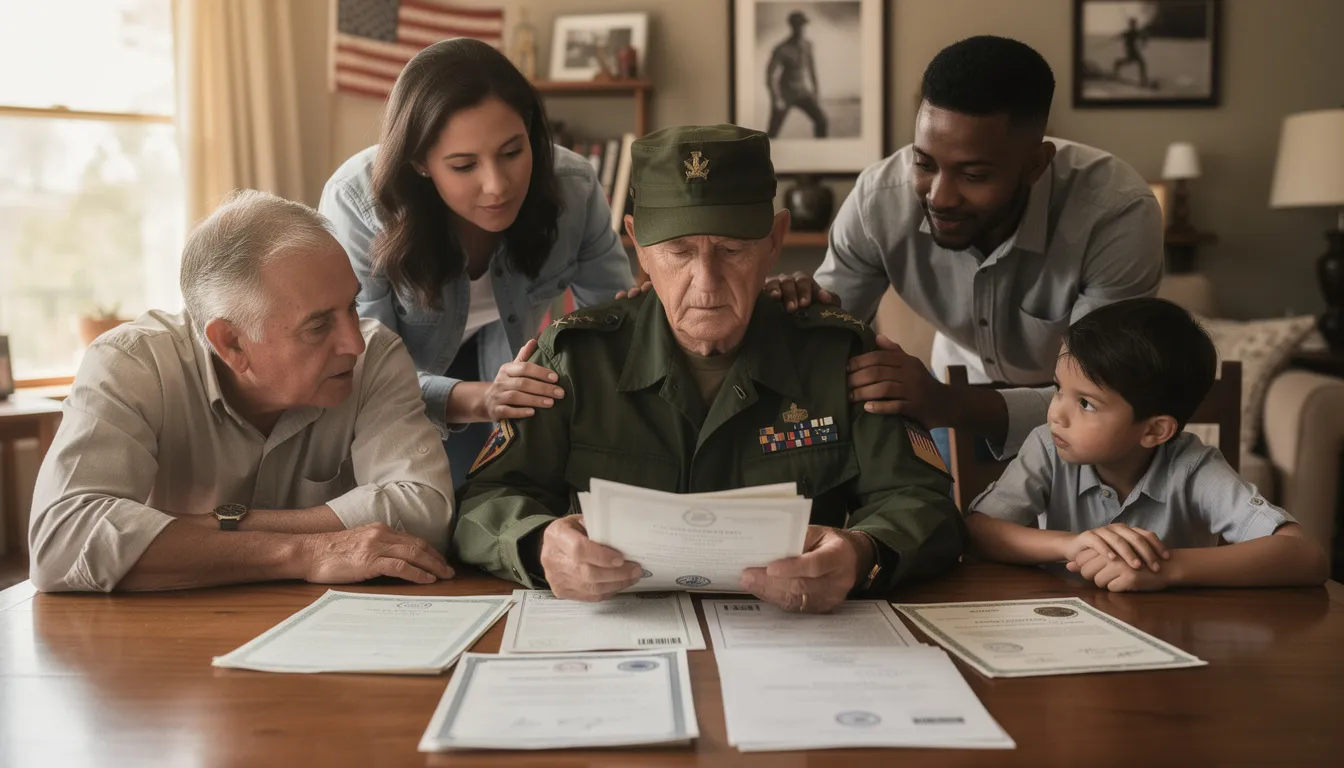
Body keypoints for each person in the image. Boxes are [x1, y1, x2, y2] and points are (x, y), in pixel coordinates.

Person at [452, 125, 964, 613]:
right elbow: (485, 502)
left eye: (732, 250)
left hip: (795, 638)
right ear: (639, 246)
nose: (706, 283)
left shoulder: (838, 354)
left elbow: (924, 504)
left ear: (774, 240)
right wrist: (538, 545)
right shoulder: (575, 358)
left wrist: (862, 555)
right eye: (678, 252)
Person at [28, 191, 456, 593]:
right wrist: (305, 552)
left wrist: (199, 528)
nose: (354, 344)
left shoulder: (376, 357)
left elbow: (427, 513)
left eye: (352, 307)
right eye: (319, 325)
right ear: (231, 343)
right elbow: (63, 540)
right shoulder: (133, 362)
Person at [769, 35, 1163, 463]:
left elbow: (1097, 397)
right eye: (924, 163)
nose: (940, 196)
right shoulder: (878, 202)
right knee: (950, 523)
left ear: (1035, 164)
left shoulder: (1116, 214)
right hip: (953, 397)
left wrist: (945, 403)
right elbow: (827, 338)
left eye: (973, 175)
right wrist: (789, 310)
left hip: (1082, 419)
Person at [319, 38, 634, 489]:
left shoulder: (573, 187)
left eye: (512, 152)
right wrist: (479, 398)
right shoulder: (358, 204)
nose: (497, 186)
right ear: (421, 163)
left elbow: (616, 324)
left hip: (508, 362)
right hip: (400, 380)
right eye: (464, 166)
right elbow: (366, 374)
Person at [966, 298, 1330, 591]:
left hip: (1174, 633)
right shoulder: (1047, 446)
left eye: (1086, 403)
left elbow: (1305, 556)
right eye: (1059, 388)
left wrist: (1165, 567)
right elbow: (979, 531)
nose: (1056, 414)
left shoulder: (1193, 468)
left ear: (1155, 431)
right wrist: (1073, 545)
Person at [765, 10, 827, 139]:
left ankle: (821, 152)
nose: (802, 29)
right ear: (792, 26)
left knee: (822, 121)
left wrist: (816, 92)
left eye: (803, 25)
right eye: (798, 25)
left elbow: (812, 70)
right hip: (785, 94)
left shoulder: (808, 45)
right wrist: (776, 98)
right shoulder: (781, 48)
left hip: (802, 92)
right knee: (773, 133)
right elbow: (770, 75)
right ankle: (763, 158)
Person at [1113, 18, 1150, 88]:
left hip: (1134, 50)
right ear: (1131, 25)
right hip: (1130, 50)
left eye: (1134, 24)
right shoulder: (1128, 33)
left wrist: (1144, 41)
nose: (1134, 25)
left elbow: (1143, 36)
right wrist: (1115, 37)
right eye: (1133, 24)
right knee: (1131, 62)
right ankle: (1117, 64)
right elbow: (1121, 35)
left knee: (1141, 63)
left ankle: (1143, 80)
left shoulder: (1135, 32)